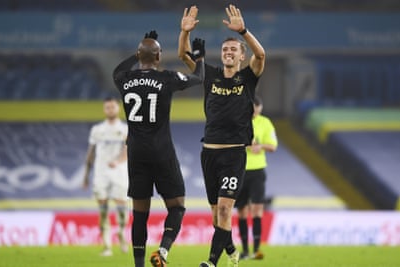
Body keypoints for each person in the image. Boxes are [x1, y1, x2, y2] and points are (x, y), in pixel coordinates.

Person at [178, 4, 266, 267]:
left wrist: (244, 31)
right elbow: (184, 55)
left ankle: (212, 262)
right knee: (218, 217)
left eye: (233, 50)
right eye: (225, 49)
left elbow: (261, 55)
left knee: (226, 210)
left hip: (234, 154)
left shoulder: (247, 78)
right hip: (209, 154)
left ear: (241, 56)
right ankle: (231, 250)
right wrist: (184, 33)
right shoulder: (211, 75)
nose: (228, 52)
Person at [113, 30, 205, 267]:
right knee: (177, 206)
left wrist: (137, 55)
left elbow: (119, 69)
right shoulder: (167, 78)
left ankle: (139, 265)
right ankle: (162, 251)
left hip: (136, 153)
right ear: (158, 57)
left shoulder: (123, 79)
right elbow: (199, 77)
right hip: (161, 151)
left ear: (138, 55)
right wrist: (199, 56)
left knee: (140, 214)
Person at [83, 97, 129, 256]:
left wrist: (118, 161)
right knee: (102, 210)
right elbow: (91, 152)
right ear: (104, 110)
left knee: (122, 210)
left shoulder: (125, 129)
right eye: (107, 107)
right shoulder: (97, 129)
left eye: (113, 107)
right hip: (101, 174)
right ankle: (107, 246)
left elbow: (128, 150)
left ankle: (122, 233)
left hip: (119, 173)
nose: (110, 110)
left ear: (118, 109)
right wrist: (85, 176)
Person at [235, 96, 278, 260]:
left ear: (260, 108)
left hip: (258, 171)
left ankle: (257, 249)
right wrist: (247, 145)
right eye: (253, 108)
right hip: (240, 171)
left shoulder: (265, 122)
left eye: (258, 108)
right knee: (242, 211)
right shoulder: (239, 121)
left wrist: (259, 146)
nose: (256, 111)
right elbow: (231, 142)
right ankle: (245, 250)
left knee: (257, 209)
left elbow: (273, 146)